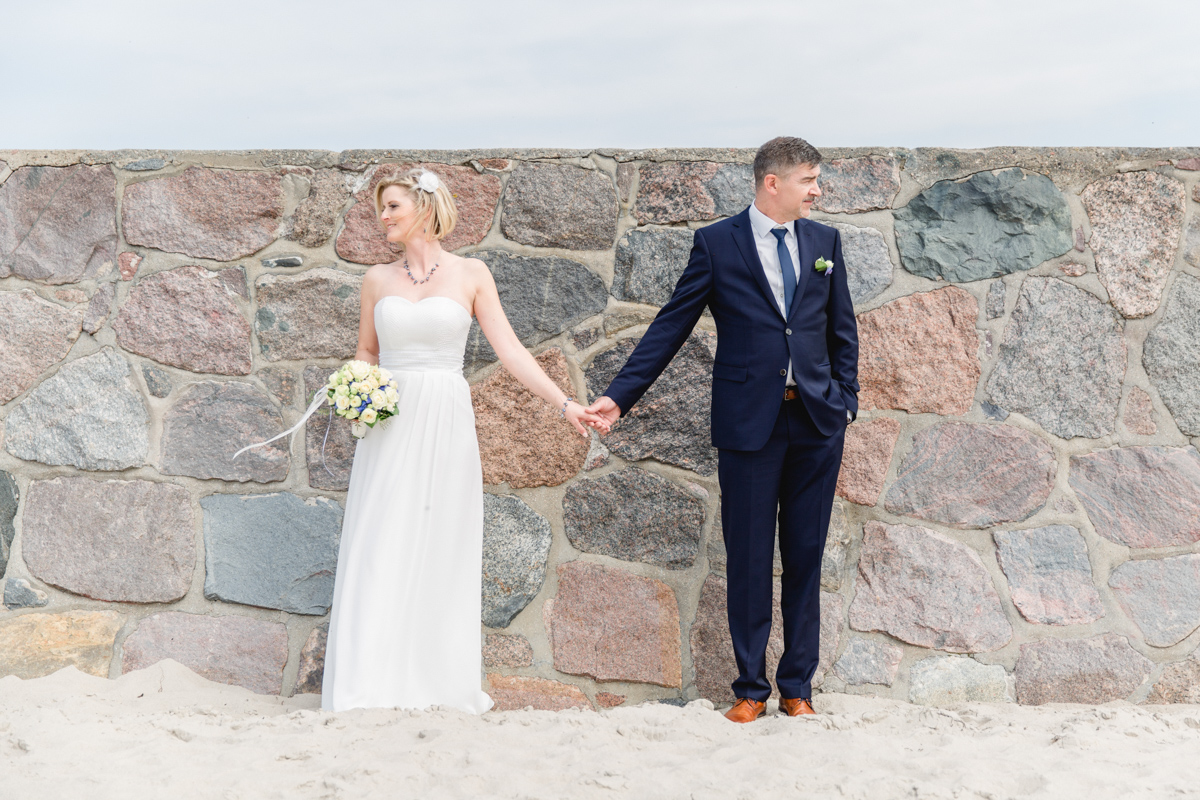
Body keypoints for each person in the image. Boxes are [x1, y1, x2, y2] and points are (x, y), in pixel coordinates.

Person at [587, 137, 858, 722]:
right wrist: (618, 397)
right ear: (772, 182)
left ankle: (797, 688)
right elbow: (671, 326)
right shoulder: (717, 244)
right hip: (748, 426)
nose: (817, 190)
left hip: (816, 422)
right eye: (809, 179)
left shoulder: (824, 242)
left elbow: (842, 330)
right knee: (750, 558)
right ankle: (750, 690)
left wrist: (847, 402)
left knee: (806, 557)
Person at [321, 168, 608, 713]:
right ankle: (366, 685)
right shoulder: (377, 281)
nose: (382, 217)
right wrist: (356, 391)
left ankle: (434, 685)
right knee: (380, 542)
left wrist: (566, 403)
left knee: (439, 543)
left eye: (393, 207)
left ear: (425, 210)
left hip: (445, 421)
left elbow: (513, 351)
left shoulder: (472, 274)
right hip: (388, 424)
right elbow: (367, 352)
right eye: (380, 208)